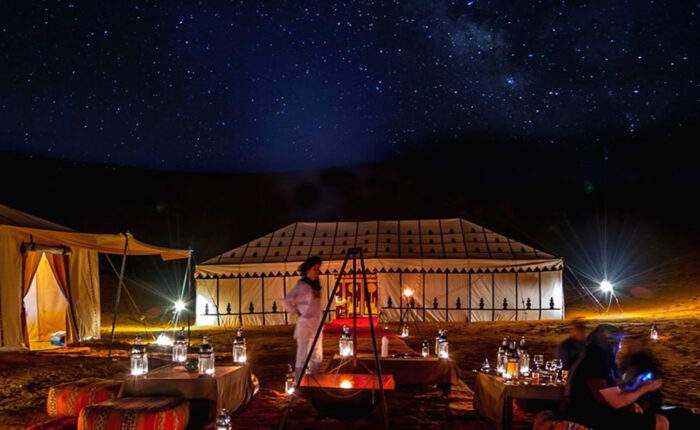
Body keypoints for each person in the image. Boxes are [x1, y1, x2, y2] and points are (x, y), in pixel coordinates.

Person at [564, 324, 668, 430]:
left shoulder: (591, 356)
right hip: (589, 417)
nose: (619, 347)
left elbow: (609, 391)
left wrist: (634, 384)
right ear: (609, 343)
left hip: (589, 412)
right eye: (618, 342)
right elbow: (616, 401)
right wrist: (645, 388)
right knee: (660, 421)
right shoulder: (594, 360)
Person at [282, 256, 324, 381]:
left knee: (317, 355)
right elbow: (287, 301)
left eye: (318, 268)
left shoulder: (316, 284)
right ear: (308, 271)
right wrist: (297, 311)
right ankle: (299, 381)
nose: (318, 271)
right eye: (315, 268)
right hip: (306, 324)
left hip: (316, 324)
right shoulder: (302, 285)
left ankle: (313, 379)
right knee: (303, 355)